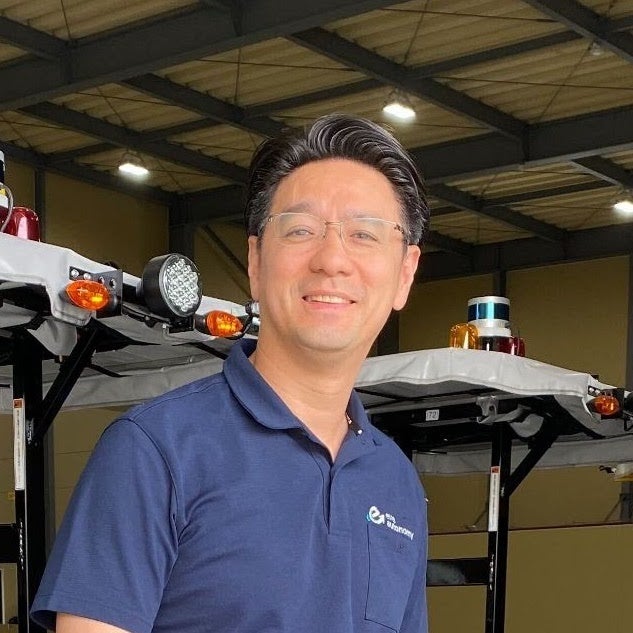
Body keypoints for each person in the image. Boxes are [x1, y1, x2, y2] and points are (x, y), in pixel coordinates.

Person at [31, 113, 430, 633]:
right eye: (302, 230)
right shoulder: (155, 452)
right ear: (256, 262)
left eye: (364, 234)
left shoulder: (396, 481)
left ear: (405, 274)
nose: (332, 259)